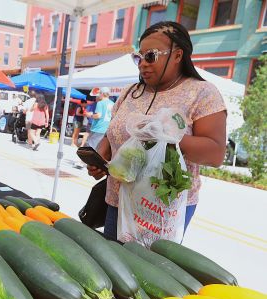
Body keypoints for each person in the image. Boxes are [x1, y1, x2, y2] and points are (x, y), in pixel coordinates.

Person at [87, 21, 227, 242]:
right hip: (117, 199)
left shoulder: (202, 93)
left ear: (177, 55)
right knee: (113, 266)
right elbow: (111, 132)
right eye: (139, 57)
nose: (142, 63)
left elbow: (216, 153)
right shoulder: (130, 92)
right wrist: (101, 157)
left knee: (145, 273)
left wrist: (162, 135)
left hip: (159, 210)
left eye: (150, 55)